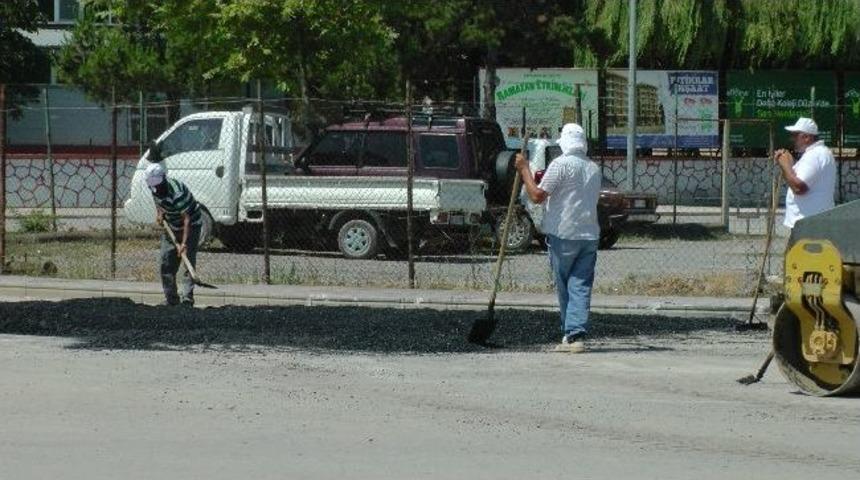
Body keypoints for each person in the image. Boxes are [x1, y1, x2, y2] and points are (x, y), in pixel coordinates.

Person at [515, 123, 601, 353]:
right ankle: (575, 334)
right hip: (589, 234)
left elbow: (537, 196)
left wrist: (524, 170)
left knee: (564, 284)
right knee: (580, 285)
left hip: (564, 233)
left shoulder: (560, 165)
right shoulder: (593, 167)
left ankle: (570, 332)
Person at [144, 163, 204, 306]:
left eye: (157, 184)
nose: (155, 188)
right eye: (153, 185)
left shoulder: (177, 193)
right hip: (172, 225)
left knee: (188, 262)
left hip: (191, 225)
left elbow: (187, 219)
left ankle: (187, 300)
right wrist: (160, 213)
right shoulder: (153, 187)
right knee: (166, 262)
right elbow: (158, 201)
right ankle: (172, 300)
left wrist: (183, 243)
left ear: (163, 178)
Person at [776, 117, 836, 229]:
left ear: (807, 137)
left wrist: (786, 165)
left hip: (808, 225)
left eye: (795, 135)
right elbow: (798, 179)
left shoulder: (814, 155)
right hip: (812, 222)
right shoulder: (821, 153)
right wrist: (788, 166)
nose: (792, 139)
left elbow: (799, 188)